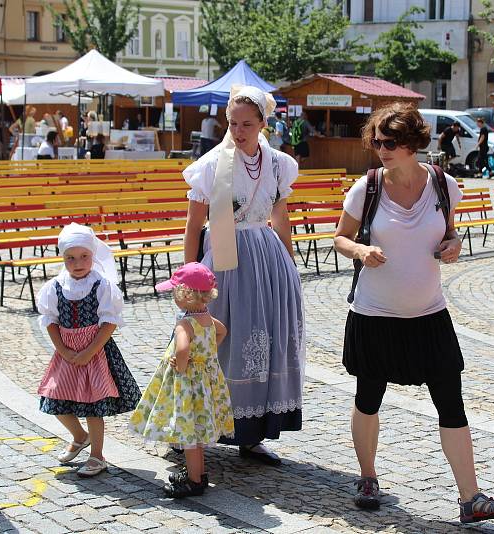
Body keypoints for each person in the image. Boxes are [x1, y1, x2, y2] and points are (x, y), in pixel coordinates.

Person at [333, 103, 494, 523]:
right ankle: (367, 477)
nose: (382, 149)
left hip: (430, 314)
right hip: (375, 314)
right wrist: (360, 249)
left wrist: (452, 246)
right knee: (368, 398)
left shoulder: (443, 185)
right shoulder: (367, 188)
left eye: (392, 142)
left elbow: (450, 234)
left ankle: (471, 498)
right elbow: (340, 238)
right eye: (378, 141)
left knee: (451, 403)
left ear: (414, 142)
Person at [182, 86, 304, 466]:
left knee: (265, 339)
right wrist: (191, 277)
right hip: (225, 258)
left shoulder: (279, 164)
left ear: (264, 124)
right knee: (216, 340)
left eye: (247, 124)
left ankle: (253, 434)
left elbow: (280, 216)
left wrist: (289, 263)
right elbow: (192, 225)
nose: (238, 130)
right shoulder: (212, 165)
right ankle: (192, 430)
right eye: (233, 123)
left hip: (266, 259)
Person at [37, 223, 141, 477]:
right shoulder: (55, 287)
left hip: (96, 353)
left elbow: (109, 322)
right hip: (67, 354)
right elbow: (50, 320)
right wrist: (62, 350)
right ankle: (79, 435)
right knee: (56, 401)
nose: (77, 262)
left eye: (84, 256)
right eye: (70, 258)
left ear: (93, 255)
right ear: (63, 258)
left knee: (94, 405)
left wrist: (90, 351)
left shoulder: (101, 285)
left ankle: (97, 455)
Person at [129, 262, 235, 498]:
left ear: (186, 295)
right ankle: (199, 473)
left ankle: (194, 480)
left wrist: (183, 363)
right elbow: (222, 331)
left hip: (188, 385)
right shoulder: (207, 318)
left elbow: (183, 347)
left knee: (189, 434)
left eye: (175, 292)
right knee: (196, 432)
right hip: (204, 383)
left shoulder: (185, 323)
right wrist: (207, 355)